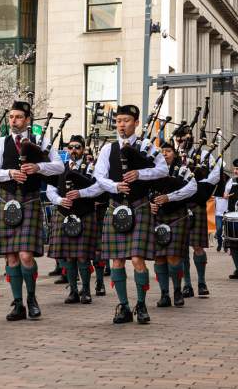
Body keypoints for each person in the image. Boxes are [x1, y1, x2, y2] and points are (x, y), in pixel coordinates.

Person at [0, 100, 64, 321]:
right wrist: (10, 173)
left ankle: (31, 298)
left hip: (29, 200)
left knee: (25, 255)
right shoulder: (1, 143)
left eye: (18, 117)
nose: (13, 121)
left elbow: (59, 166)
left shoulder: (40, 141)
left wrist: (38, 167)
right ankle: (18, 304)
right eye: (11, 117)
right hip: (7, 200)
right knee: (11, 258)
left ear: (28, 119)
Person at [93, 104, 167, 324]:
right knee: (116, 261)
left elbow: (162, 170)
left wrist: (140, 174)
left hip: (139, 206)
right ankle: (124, 306)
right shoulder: (108, 149)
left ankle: (142, 305)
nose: (121, 125)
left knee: (136, 259)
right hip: (116, 207)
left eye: (126, 121)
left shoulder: (147, 146)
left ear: (135, 122)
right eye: (118, 121)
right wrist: (115, 186)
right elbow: (99, 175)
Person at [46, 135, 104, 305]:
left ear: (83, 149)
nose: (73, 150)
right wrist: (59, 200)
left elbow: (99, 188)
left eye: (77, 147)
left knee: (83, 257)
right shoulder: (59, 168)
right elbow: (50, 190)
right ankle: (73, 291)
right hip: (64, 214)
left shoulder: (91, 168)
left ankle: (85, 290)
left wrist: (82, 193)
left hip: (84, 214)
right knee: (68, 257)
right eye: (70, 147)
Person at [174, 127, 220, 298]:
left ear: (191, 138)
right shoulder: (173, 156)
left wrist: (197, 187)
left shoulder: (206, 155)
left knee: (198, 246)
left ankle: (201, 282)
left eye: (185, 139)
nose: (182, 142)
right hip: (178, 205)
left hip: (196, 202)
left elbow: (215, 176)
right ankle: (187, 284)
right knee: (182, 247)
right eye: (179, 139)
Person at [150, 142, 197, 308]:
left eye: (168, 151)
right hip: (157, 217)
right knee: (159, 257)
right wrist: (149, 204)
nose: (164, 154)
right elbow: (142, 192)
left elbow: (193, 187)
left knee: (173, 257)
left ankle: (177, 291)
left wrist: (170, 197)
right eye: (162, 151)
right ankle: (164, 294)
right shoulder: (151, 172)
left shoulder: (182, 170)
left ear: (174, 154)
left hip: (177, 216)